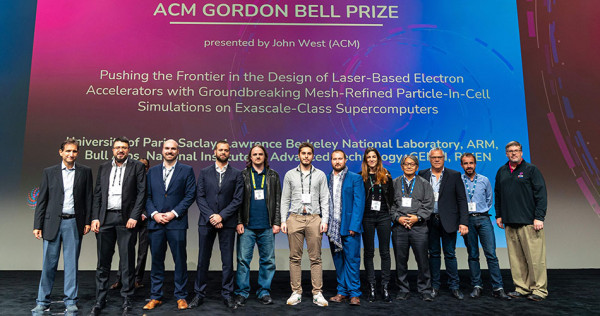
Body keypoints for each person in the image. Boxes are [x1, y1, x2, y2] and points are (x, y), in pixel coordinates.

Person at [31, 138, 93, 314]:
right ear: (61, 152)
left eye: (74, 151)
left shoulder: (85, 171)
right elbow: (42, 199)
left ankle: (71, 301)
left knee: (71, 264)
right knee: (48, 264)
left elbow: (89, 198)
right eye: (68, 151)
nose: (71, 154)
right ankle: (42, 301)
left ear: (77, 153)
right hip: (51, 223)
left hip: (73, 222)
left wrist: (87, 221)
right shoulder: (49, 172)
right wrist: (38, 224)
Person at [90, 136, 146, 315]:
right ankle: (100, 299)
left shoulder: (137, 166)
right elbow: (97, 194)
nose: (120, 150)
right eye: (117, 147)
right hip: (105, 220)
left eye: (124, 147)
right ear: (112, 150)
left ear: (128, 150)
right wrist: (95, 218)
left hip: (126, 220)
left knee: (127, 263)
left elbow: (141, 194)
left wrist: (134, 216)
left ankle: (127, 299)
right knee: (103, 263)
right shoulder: (104, 167)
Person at [142, 140, 196, 310]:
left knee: (180, 260)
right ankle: (155, 296)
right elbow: (147, 196)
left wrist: (173, 213)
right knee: (156, 261)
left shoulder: (186, 170)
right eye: (167, 148)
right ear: (162, 150)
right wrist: (154, 214)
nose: (170, 151)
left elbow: (190, 195)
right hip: (156, 223)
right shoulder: (152, 172)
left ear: (178, 151)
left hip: (177, 223)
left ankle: (181, 296)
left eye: (173, 148)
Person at [189, 140, 244, 309]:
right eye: (220, 150)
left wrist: (221, 216)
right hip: (206, 222)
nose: (223, 152)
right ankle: (199, 294)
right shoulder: (205, 172)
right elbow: (200, 196)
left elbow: (237, 199)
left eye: (226, 150)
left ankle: (227, 294)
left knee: (227, 261)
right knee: (202, 260)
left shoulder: (236, 174)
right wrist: (212, 216)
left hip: (227, 223)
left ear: (229, 153)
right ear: (214, 152)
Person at [495, 141, 548, 301]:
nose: (513, 153)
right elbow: (498, 194)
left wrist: (539, 217)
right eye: (510, 151)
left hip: (529, 223)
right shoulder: (502, 171)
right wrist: (499, 215)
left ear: (521, 152)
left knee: (535, 259)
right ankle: (522, 288)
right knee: (516, 259)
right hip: (510, 222)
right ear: (506, 154)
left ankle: (539, 290)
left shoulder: (531, 170)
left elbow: (541, 194)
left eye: (516, 150)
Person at [280, 142, 330, 307]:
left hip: (314, 218)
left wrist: (325, 220)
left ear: (313, 156)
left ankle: (317, 292)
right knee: (295, 258)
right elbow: (285, 199)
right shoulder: (290, 175)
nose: (306, 156)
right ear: (299, 155)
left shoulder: (320, 175)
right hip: (294, 218)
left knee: (316, 258)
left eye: (309, 153)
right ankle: (296, 292)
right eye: (303, 153)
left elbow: (325, 199)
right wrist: (283, 220)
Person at [234, 144, 281, 306]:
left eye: (261, 154)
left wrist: (276, 222)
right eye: (255, 154)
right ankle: (241, 292)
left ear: (265, 157)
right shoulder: (243, 175)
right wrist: (239, 221)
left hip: (267, 226)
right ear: (250, 157)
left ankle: (264, 291)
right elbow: (237, 202)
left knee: (268, 261)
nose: (258, 157)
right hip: (247, 226)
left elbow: (278, 201)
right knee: (242, 261)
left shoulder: (273, 176)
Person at [418, 148, 468, 300]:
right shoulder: (422, 174)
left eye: (440, 157)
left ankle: (454, 286)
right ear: (429, 159)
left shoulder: (454, 175)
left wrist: (463, 222)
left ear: (444, 158)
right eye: (434, 157)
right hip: (429, 220)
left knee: (450, 254)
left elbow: (461, 199)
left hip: (449, 220)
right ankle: (435, 286)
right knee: (433, 254)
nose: (437, 160)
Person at [460, 153, 510, 300]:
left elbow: (489, 199)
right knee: (473, 255)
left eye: (471, 163)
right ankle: (477, 286)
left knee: (491, 255)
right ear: (462, 165)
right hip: (467, 220)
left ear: (475, 164)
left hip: (484, 219)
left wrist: (481, 210)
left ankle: (498, 287)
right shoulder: (458, 181)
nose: (469, 166)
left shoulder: (484, 180)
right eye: (465, 163)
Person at [391, 155, 434, 301]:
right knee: (400, 260)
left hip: (419, 227)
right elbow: (390, 205)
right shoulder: (394, 183)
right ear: (402, 166)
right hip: (399, 227)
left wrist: (417, 217)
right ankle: (403, 289)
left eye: (412, 164)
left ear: (417, 167)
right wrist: (398, 218)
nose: (409, 166)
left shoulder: (424, 183)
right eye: (406, 164)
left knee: (423, 260)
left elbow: (429, 204)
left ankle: (425, 289)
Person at [327, 150, 365, 306]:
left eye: (340, 159)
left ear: (345, 160)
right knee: (339, 261)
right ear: (331, 161)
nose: (337, 161)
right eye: (334, 159)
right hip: (333, 228)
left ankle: (354, 294)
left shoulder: (355, 178)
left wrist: (354, 226)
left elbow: (359, 203)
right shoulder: (327, 178)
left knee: (352, 260)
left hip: (349, 227)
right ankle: (342, 291)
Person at [110, 158, 150, 291]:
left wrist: (145, 213)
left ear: (147, 168)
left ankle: (137, 279)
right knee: (126, 249)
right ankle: (120, 279)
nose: (142, 168)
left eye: (144, 166)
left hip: (145, 220)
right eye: (140, 165)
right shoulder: (130, 178)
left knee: (142, 251)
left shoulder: (150, 179)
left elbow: (148, 198)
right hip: (130, 218)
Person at [359, 147, 394, 302]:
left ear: (378, 159)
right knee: (369, 253)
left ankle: (385, 287)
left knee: (385, 252)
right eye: (369, 157)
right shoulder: (361, 177)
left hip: (384, 217)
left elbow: (391, 198)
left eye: (374, 157)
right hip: (367, 217)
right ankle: (371, 287)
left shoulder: (386, 176)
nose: (371, 159)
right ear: (365, 160)